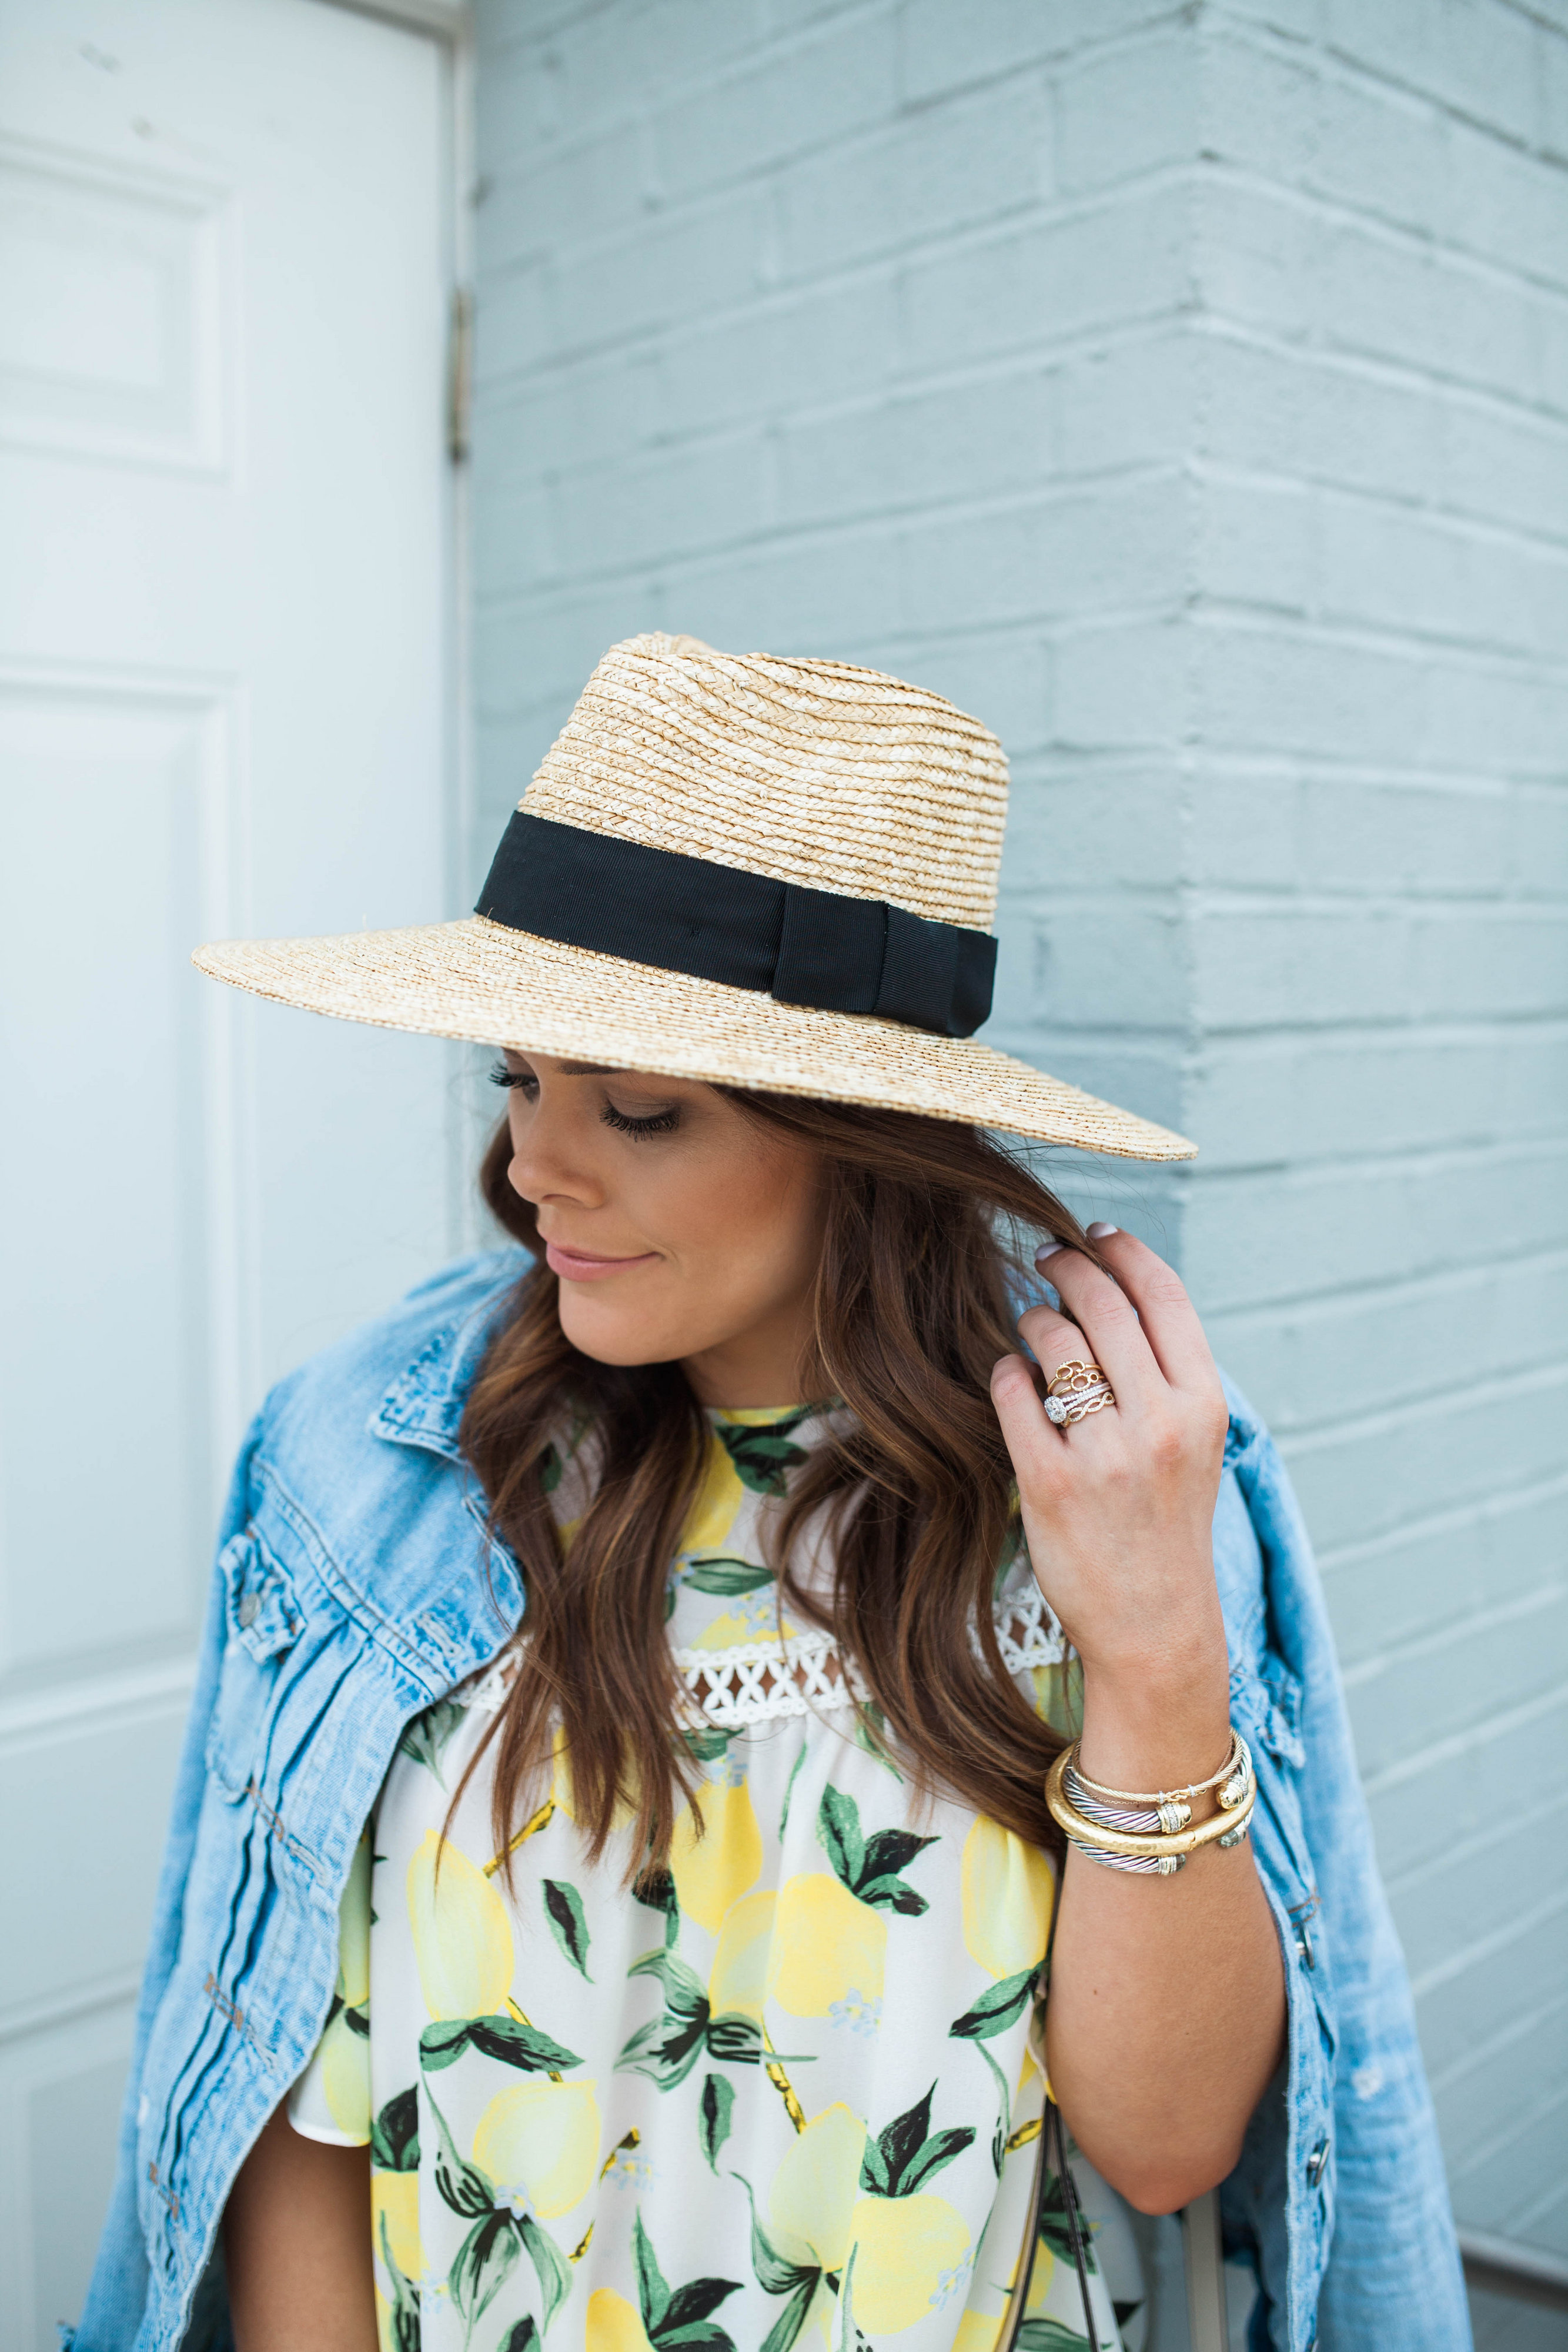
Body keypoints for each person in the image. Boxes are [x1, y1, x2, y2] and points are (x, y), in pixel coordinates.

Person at [70, 637, 1469, 2352]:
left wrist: (1156, 1646)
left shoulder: (1106, 1484)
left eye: (637, 1107)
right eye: (517, 1078)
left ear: (863, 1135)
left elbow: (1169, 2148)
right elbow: (300, 2103)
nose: (532, 1166)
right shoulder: (376, 1466)